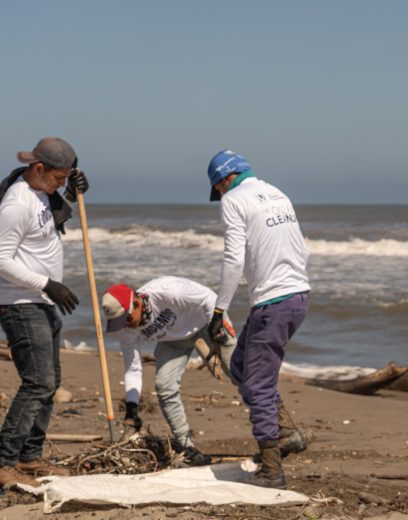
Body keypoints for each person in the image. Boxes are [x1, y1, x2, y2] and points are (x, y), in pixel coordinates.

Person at [207, 149, 310, 488]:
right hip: (296, 296)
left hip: (273, 302)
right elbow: (300, 248)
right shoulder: (278, 194)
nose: (220, 194)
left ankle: (271, 467)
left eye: (218, 188)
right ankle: (286, 434)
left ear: (224, 180)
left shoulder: (234, 200)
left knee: (259, 383)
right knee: (239, 366)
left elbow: (233, 260)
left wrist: (219, 310)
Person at [0, 137, 88, 487]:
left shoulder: (42, 192)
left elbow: (56, 212)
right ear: (38, 169)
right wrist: (46, 283)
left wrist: (76, 191)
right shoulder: (15, 204)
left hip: (41, 301)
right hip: (20, 302)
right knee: (38, 382)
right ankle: (5, 460)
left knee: (51, 382)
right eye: (59, 178)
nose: (61, 184)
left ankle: (31, 457)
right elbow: (1, 258)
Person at [101, 276, 241, 466]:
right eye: (118, 323)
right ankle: (187, 447)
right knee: (164, 386)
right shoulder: (127, 331)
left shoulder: (167, 291)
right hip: (174, 341)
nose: (125, 325)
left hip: (207, 321)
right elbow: (133, 369)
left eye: (125, 319)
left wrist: (218, 323)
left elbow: (209, 298)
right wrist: (131, 408)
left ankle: (278, 428)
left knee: (240, 374)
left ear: (135, 302)